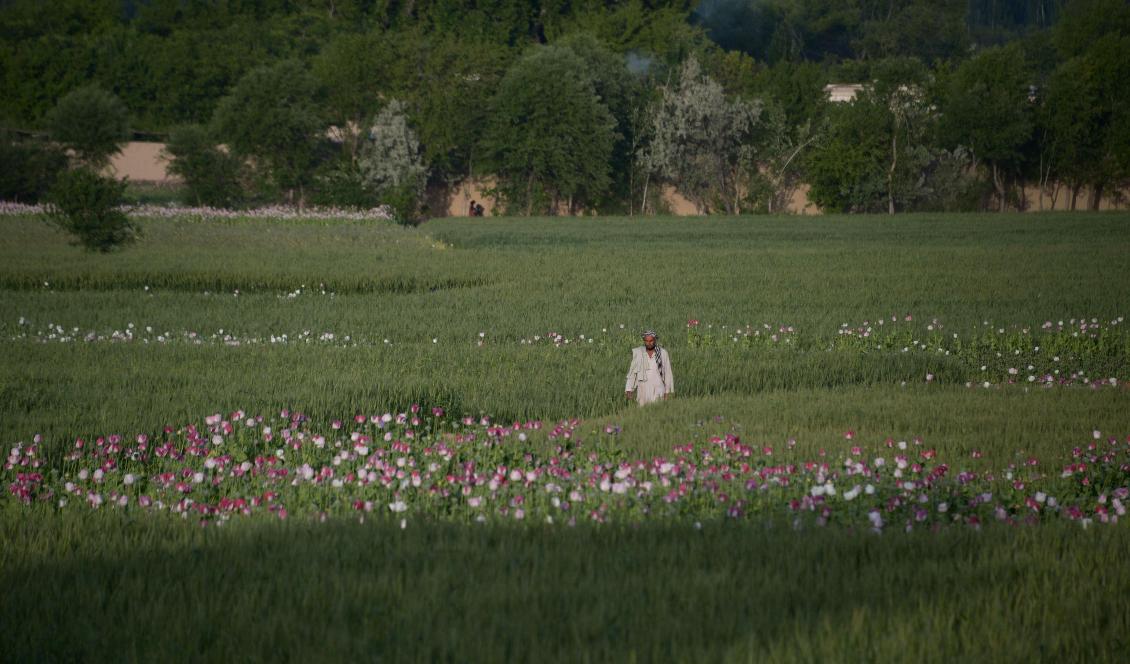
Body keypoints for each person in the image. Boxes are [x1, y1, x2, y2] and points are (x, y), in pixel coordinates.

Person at [625, 330, 674, 406]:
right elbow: (632, 373)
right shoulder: (639, 353)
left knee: (658, 410)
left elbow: (668, 373)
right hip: (642, 390)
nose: (649, 343)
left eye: (651, 341)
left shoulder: (663, 353)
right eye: (647, 341)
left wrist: (667, 392)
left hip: (658, 389)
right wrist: (629, 389)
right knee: (642, 412)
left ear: (655, 340)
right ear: (644, 341)